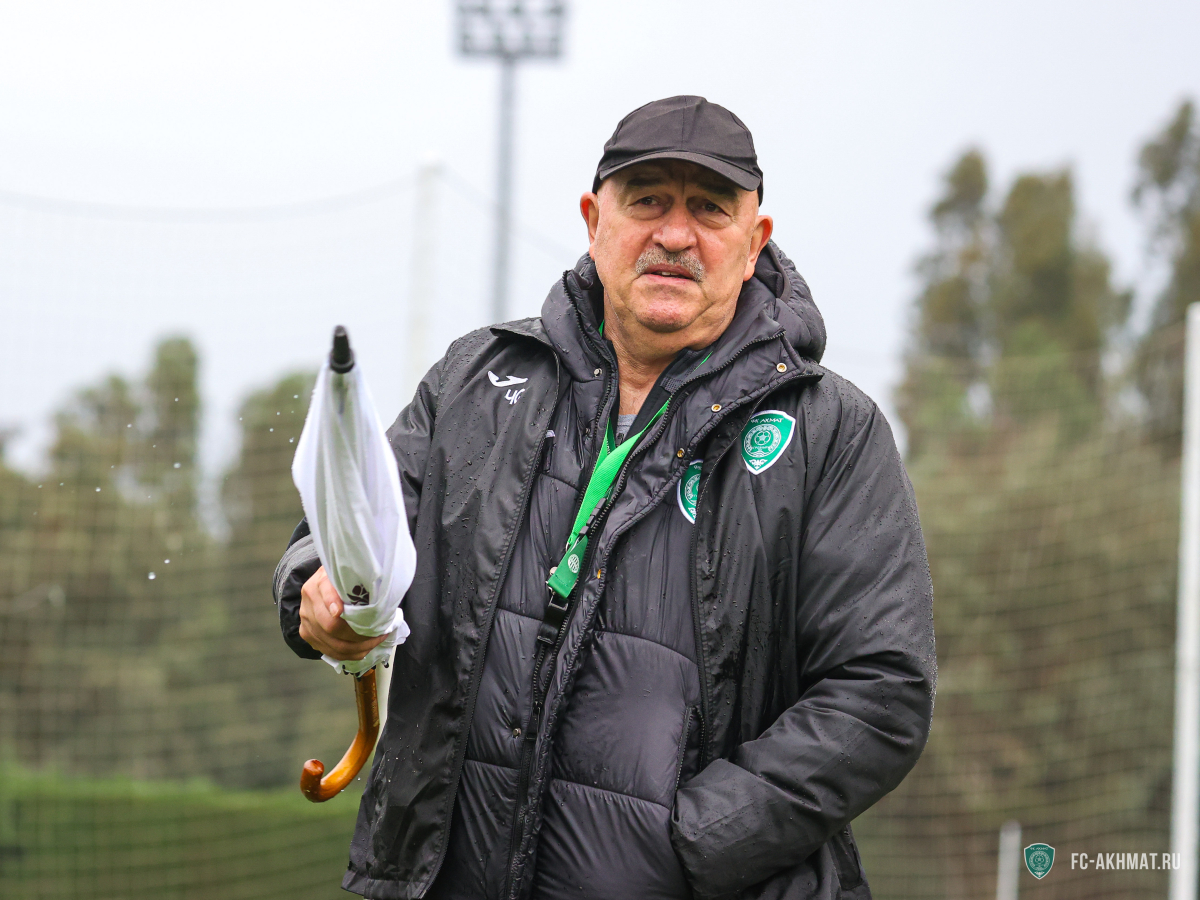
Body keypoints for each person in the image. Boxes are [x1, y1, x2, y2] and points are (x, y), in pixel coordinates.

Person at [274, 95, 936, 900]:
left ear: (755, 240)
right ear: (594, 220)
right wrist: (319, 588)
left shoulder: (831, 432)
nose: (675, 234)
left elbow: (880, 693)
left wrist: (690, 846)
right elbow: (348, 524)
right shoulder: (478, 378)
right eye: (647, 199)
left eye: (710, 208)